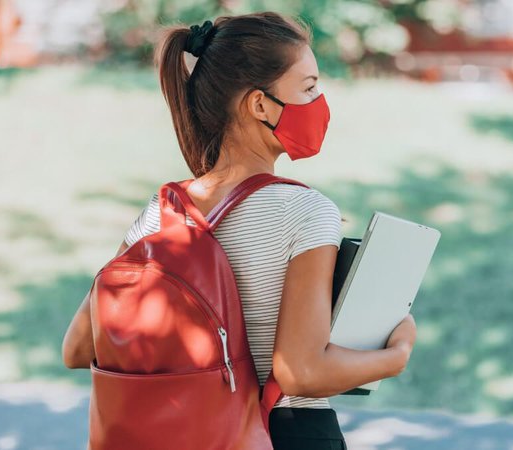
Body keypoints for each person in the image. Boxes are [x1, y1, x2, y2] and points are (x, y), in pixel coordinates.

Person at [61, 11, 417, 450]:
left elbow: (77, 349)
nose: (319, 101)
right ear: (259, 104)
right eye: (308, 87)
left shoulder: (161, 213)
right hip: (285, 434)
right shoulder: (305, 211)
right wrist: (394, 356)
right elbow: (301, 373)